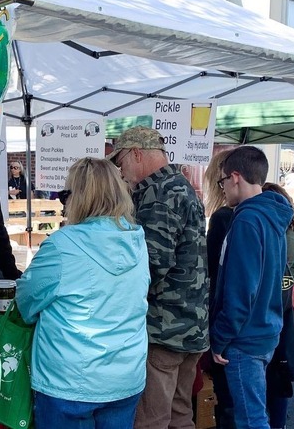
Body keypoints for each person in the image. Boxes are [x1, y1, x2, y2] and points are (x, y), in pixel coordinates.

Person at [15, 157, 150, 427]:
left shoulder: (63, 245)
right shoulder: (137, 240)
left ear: (80, 197)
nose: (65, 203)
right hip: (124, 376)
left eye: (66, 195)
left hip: (69, 380)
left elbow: (26, 301)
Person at [108, 126, 209, 429]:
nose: (120, 170)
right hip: (190, 326)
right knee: (180, 415)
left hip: (164, 329)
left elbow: (151, 266)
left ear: (136, 153)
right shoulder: (181, 184)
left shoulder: (159, 193)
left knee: (152, 419)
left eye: (120, 161)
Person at [210, 146, 293, 429]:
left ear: (235, 177)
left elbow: (241, 289)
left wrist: (220, 337)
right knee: (254, 414)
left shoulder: (248, 219)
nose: (222, 189)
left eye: (222, 181)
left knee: (251, 419)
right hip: (264, 330)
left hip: (245, 337)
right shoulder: (271, 216)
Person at [261, 183, 294, 429]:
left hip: (278, 317)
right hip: (276, 315)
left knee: (278, 381)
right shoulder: (283, 235)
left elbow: (283, 286)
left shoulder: (288, 240)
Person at [202, 149, 236, 428]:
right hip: (259, 328)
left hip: (229, 320)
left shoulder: (224, 218)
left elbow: (214, 272)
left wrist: (220, 334)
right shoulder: (264, 215)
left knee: (230, 404)